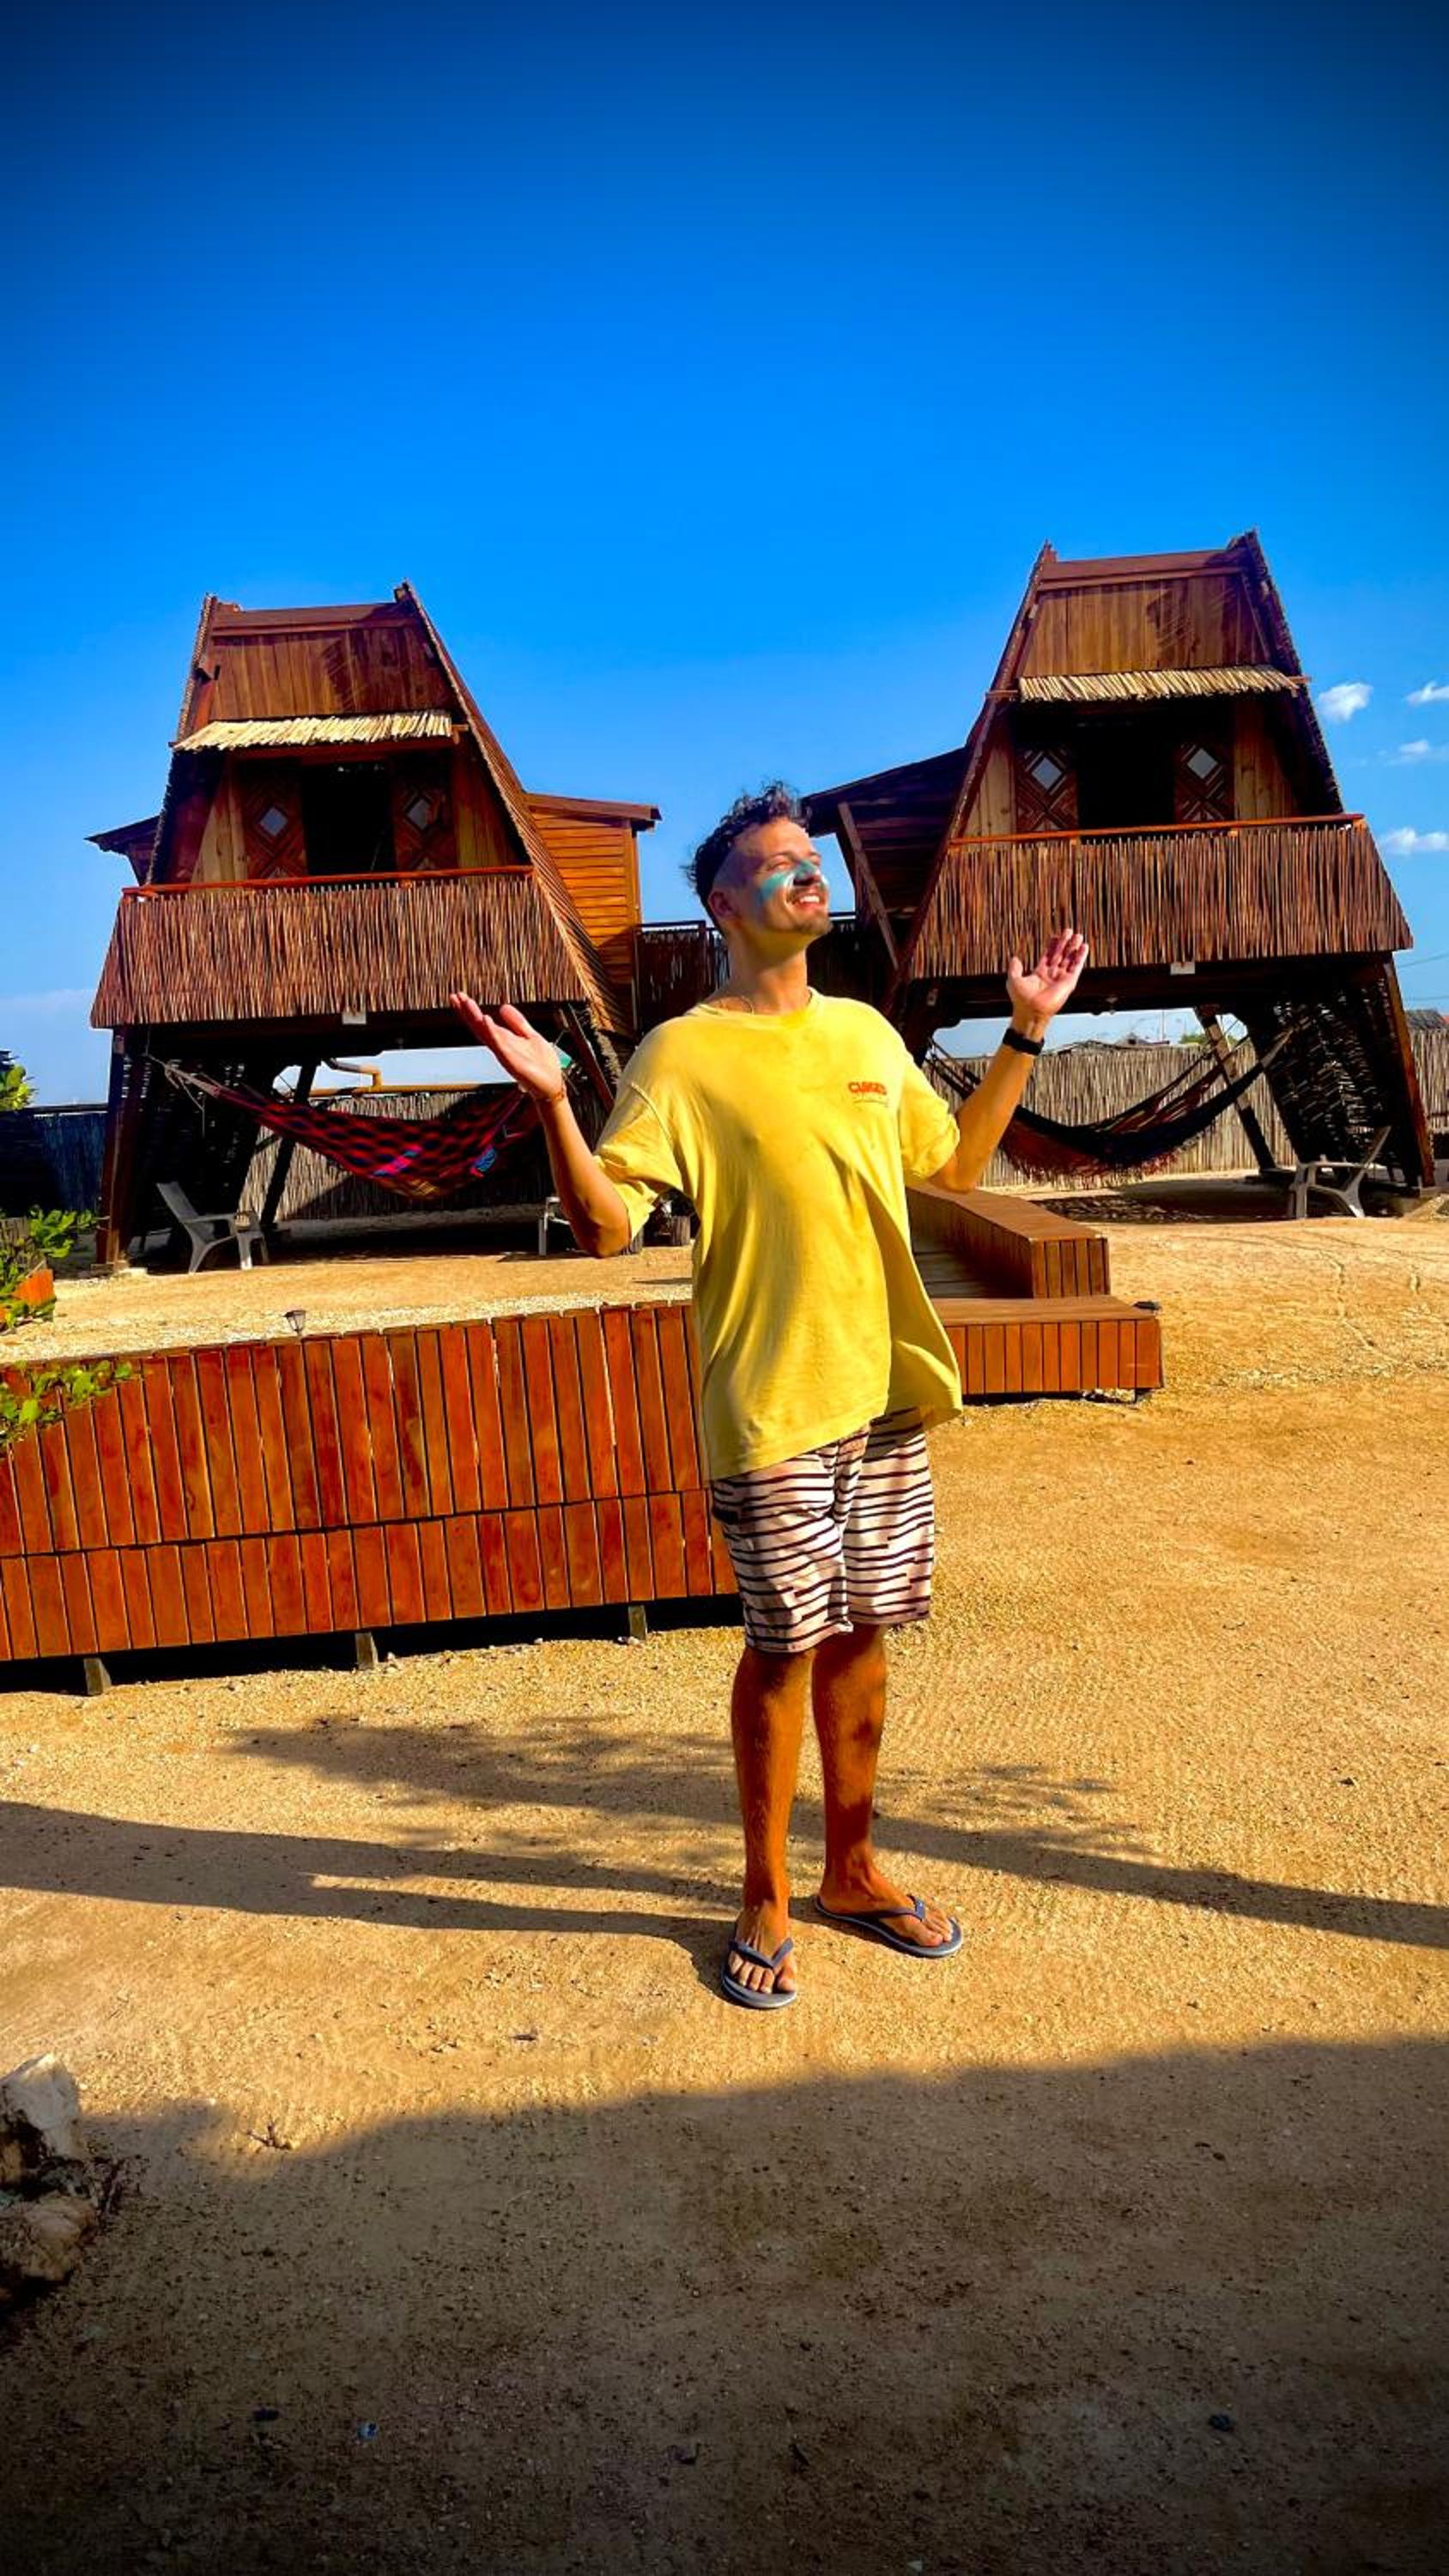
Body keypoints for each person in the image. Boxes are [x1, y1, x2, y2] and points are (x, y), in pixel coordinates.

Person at [452, 783, 1088, 2011]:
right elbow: (605, 1229)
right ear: (722, 904)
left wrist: (1025, 1033)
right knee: (784, 1642)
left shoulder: (865, 1036)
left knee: (865, 1633)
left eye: (813, 860)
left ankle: (852, 1868)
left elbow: (956, 1165)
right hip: (768, 1399)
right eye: (780, 864)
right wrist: (552, 1105)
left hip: (883, 1386)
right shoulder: (681, 1056)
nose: (810, 875)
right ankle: (765, 1891)